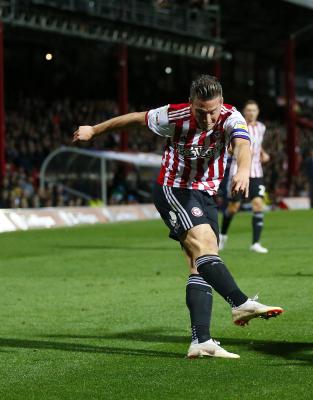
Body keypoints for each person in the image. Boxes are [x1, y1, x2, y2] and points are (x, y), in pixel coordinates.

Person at [73, 75, 283, 359]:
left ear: (221, 103)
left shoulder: (232, 117)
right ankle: (239, 303)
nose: (207, 117)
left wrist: (243, 170)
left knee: (201, 264)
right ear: (191, 103)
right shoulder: (174, 115)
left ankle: (201, 341)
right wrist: (94, 130)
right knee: (205, 247)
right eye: (200, 110)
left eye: (212, 110)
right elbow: (135, 118)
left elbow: (243, 146)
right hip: (174, 188)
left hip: (206, 194)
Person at [219, 100, 270, 254]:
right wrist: (237, 152)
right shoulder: (237, 126)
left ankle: (255, 243)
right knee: (234, 207)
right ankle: (222, 235)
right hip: (239, 171)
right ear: (244, 111)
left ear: (258, 111)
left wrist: (263, 153)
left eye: (254, 110)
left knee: (258, 204)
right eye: (248, 110)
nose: (251, 113)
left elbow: (257, 144)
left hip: (256, 172)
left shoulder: (261, 128)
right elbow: (228, 148)